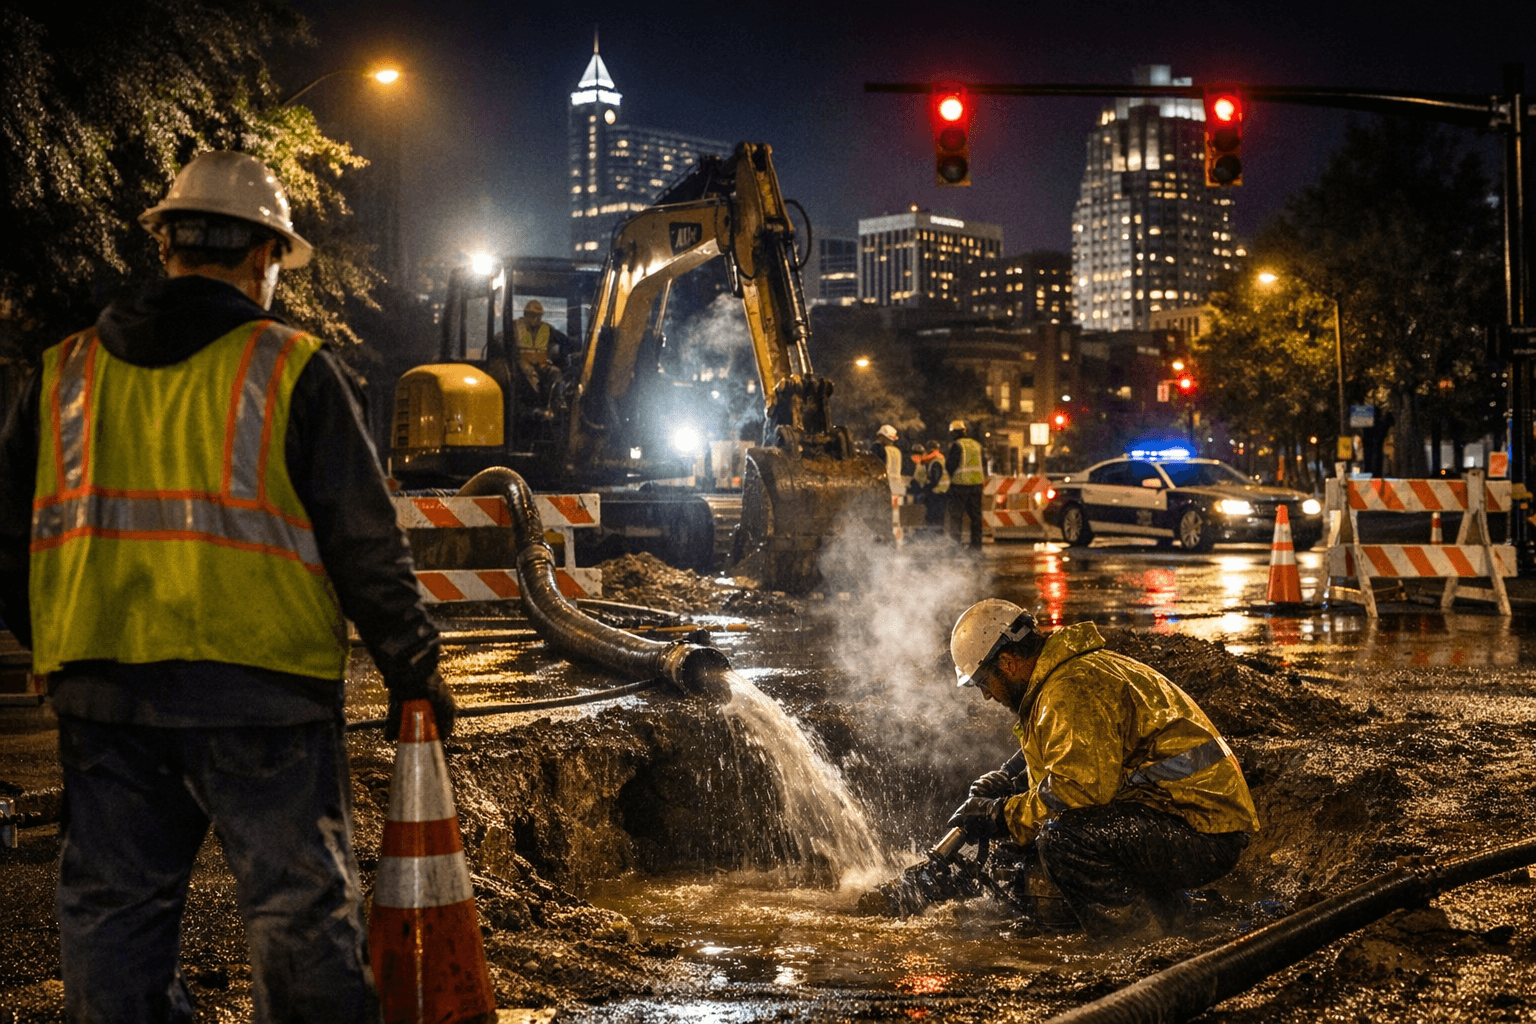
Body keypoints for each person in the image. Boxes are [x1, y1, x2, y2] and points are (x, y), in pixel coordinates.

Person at [0, 151, 457, 1023]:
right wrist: (413, 670)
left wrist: (57, 639)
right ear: (264, 257)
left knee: (113, 922)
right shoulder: (291, 369)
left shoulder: (62, 375)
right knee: (297, 917)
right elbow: (366, 546)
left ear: (167, 245)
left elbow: (5, 540)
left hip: (104, 697)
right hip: (264, 698)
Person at [946, 600, 1259, 937]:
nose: (987, 697)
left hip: (1204, 832)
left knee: (1064, 840)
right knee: (1044, 838)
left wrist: (1000, 816)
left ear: (1007, 663)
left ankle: (1136, 942)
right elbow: (1080, 760)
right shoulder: (1066, 676)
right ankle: (1174, 912)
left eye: (982, 683)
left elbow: (1077, 794)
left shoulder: (1071, 690)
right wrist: (1014, 784)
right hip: (1187, 815)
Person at [513, 299, 571, 408]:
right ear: (525, 314)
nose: (536, 318)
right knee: (530, 378)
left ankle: (559, 401)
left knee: (556, 372)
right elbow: (500, 341)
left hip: (542, 364)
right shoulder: (515, 327)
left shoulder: (547, 329)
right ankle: (534, 407)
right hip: (522, 365)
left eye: (539, 316)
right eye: (532, 315)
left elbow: (565, 341)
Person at [945, 419, 986, 549]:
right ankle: (976, 545)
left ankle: (956, 545)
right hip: (977, 485)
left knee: (957, 516)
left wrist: (950, 478)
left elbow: (951, 465)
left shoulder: (957, 445)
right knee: (975, 516)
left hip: (960, 484)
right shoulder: (977, 445)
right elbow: (983, 464)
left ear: (953, 433)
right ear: (964, 431)